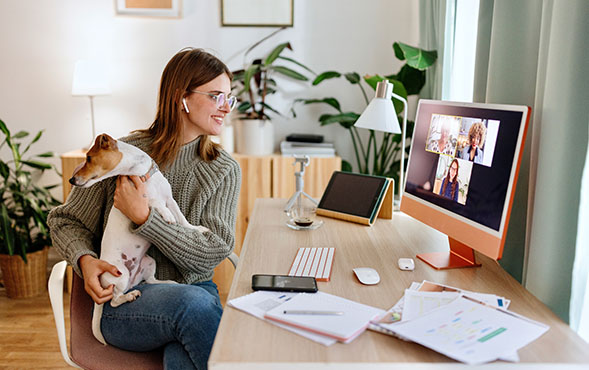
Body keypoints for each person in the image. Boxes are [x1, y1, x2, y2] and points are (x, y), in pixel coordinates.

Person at [48, 48, 241, 370]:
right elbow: (64, 221)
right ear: (182, 97)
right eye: (216, 96)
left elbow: (212, 252)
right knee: (194, 308)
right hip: (126, 301)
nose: (226, 108)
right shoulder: (123, 155)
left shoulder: (223, 168)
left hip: (193, 294)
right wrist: (85, 259)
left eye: (229, 98)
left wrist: (146, 219)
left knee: (184, 350)